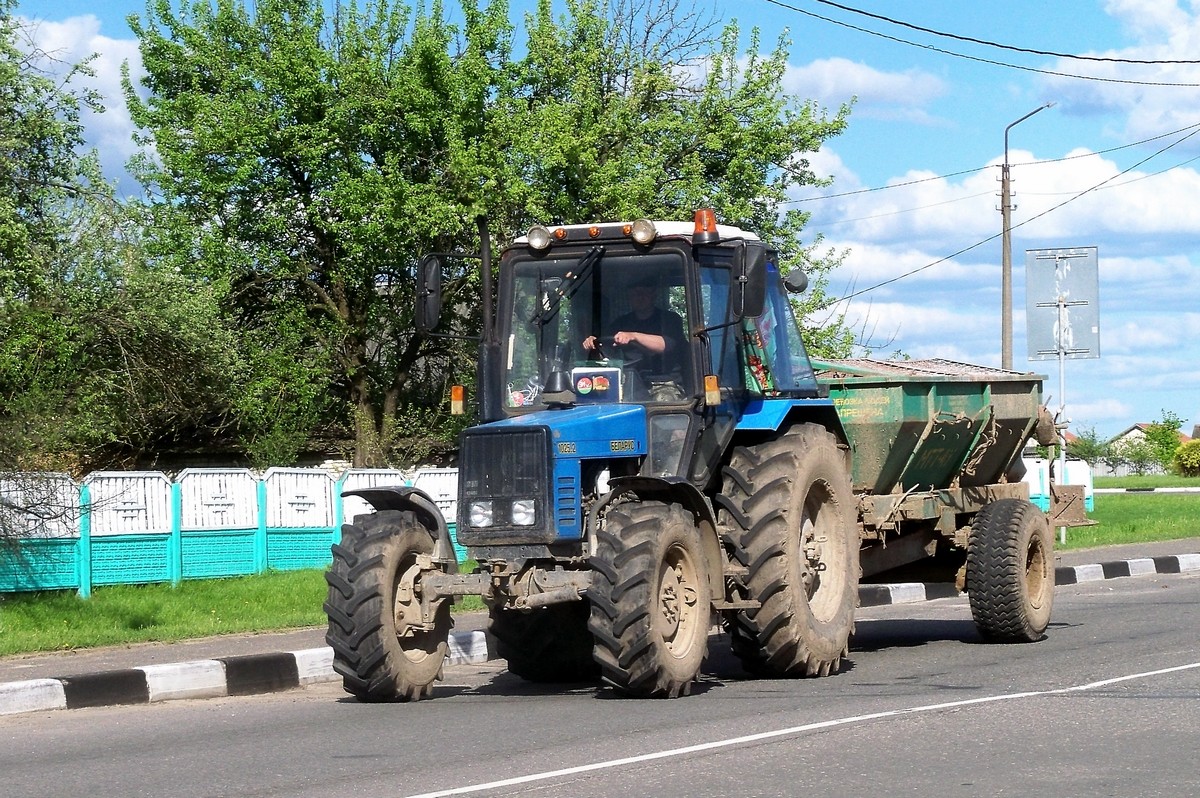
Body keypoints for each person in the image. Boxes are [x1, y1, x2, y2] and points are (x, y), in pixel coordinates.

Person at [582, 276, 687, 392]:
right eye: (635, 294)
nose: (639, 297)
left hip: (664, 383)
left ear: (654, 295)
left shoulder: (670, 319)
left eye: (644, 293)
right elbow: (606, 350)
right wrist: (593, 343)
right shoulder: (620, 323)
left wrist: (634, 336)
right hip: (628, 380)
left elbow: (666, 345)